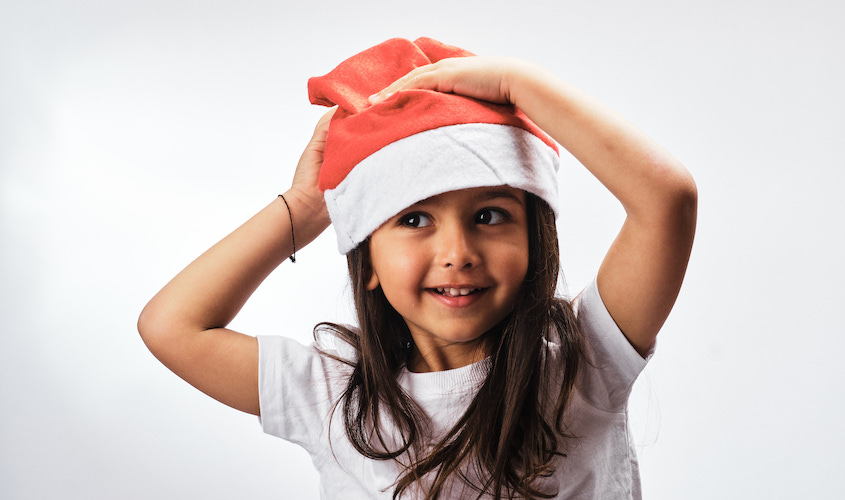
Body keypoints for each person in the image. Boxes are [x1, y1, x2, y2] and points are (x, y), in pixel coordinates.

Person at [138, 38, 697, 499]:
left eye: (489, 214)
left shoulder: (586, 360)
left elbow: (666, 200)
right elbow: (172, 327)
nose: (457, 251)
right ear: (368, 259)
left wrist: (515, 84)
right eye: (413, 219)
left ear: (535, 239)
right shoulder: (334, 394)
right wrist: (309, 205)